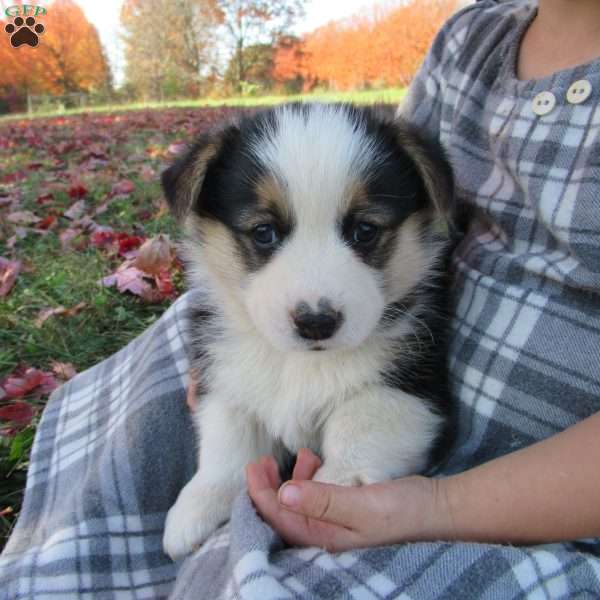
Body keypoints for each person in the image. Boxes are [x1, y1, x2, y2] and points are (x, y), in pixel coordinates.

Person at [2, 1, 600, 598]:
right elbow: (226, 394)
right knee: (126, 424)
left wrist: (363, 470)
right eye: (264, 233)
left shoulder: (398, 341)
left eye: (364, 231)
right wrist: (219, 472)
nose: (316, 300)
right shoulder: (473, 38)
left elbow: (399, 404)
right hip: (266, 368)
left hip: (529, 499)